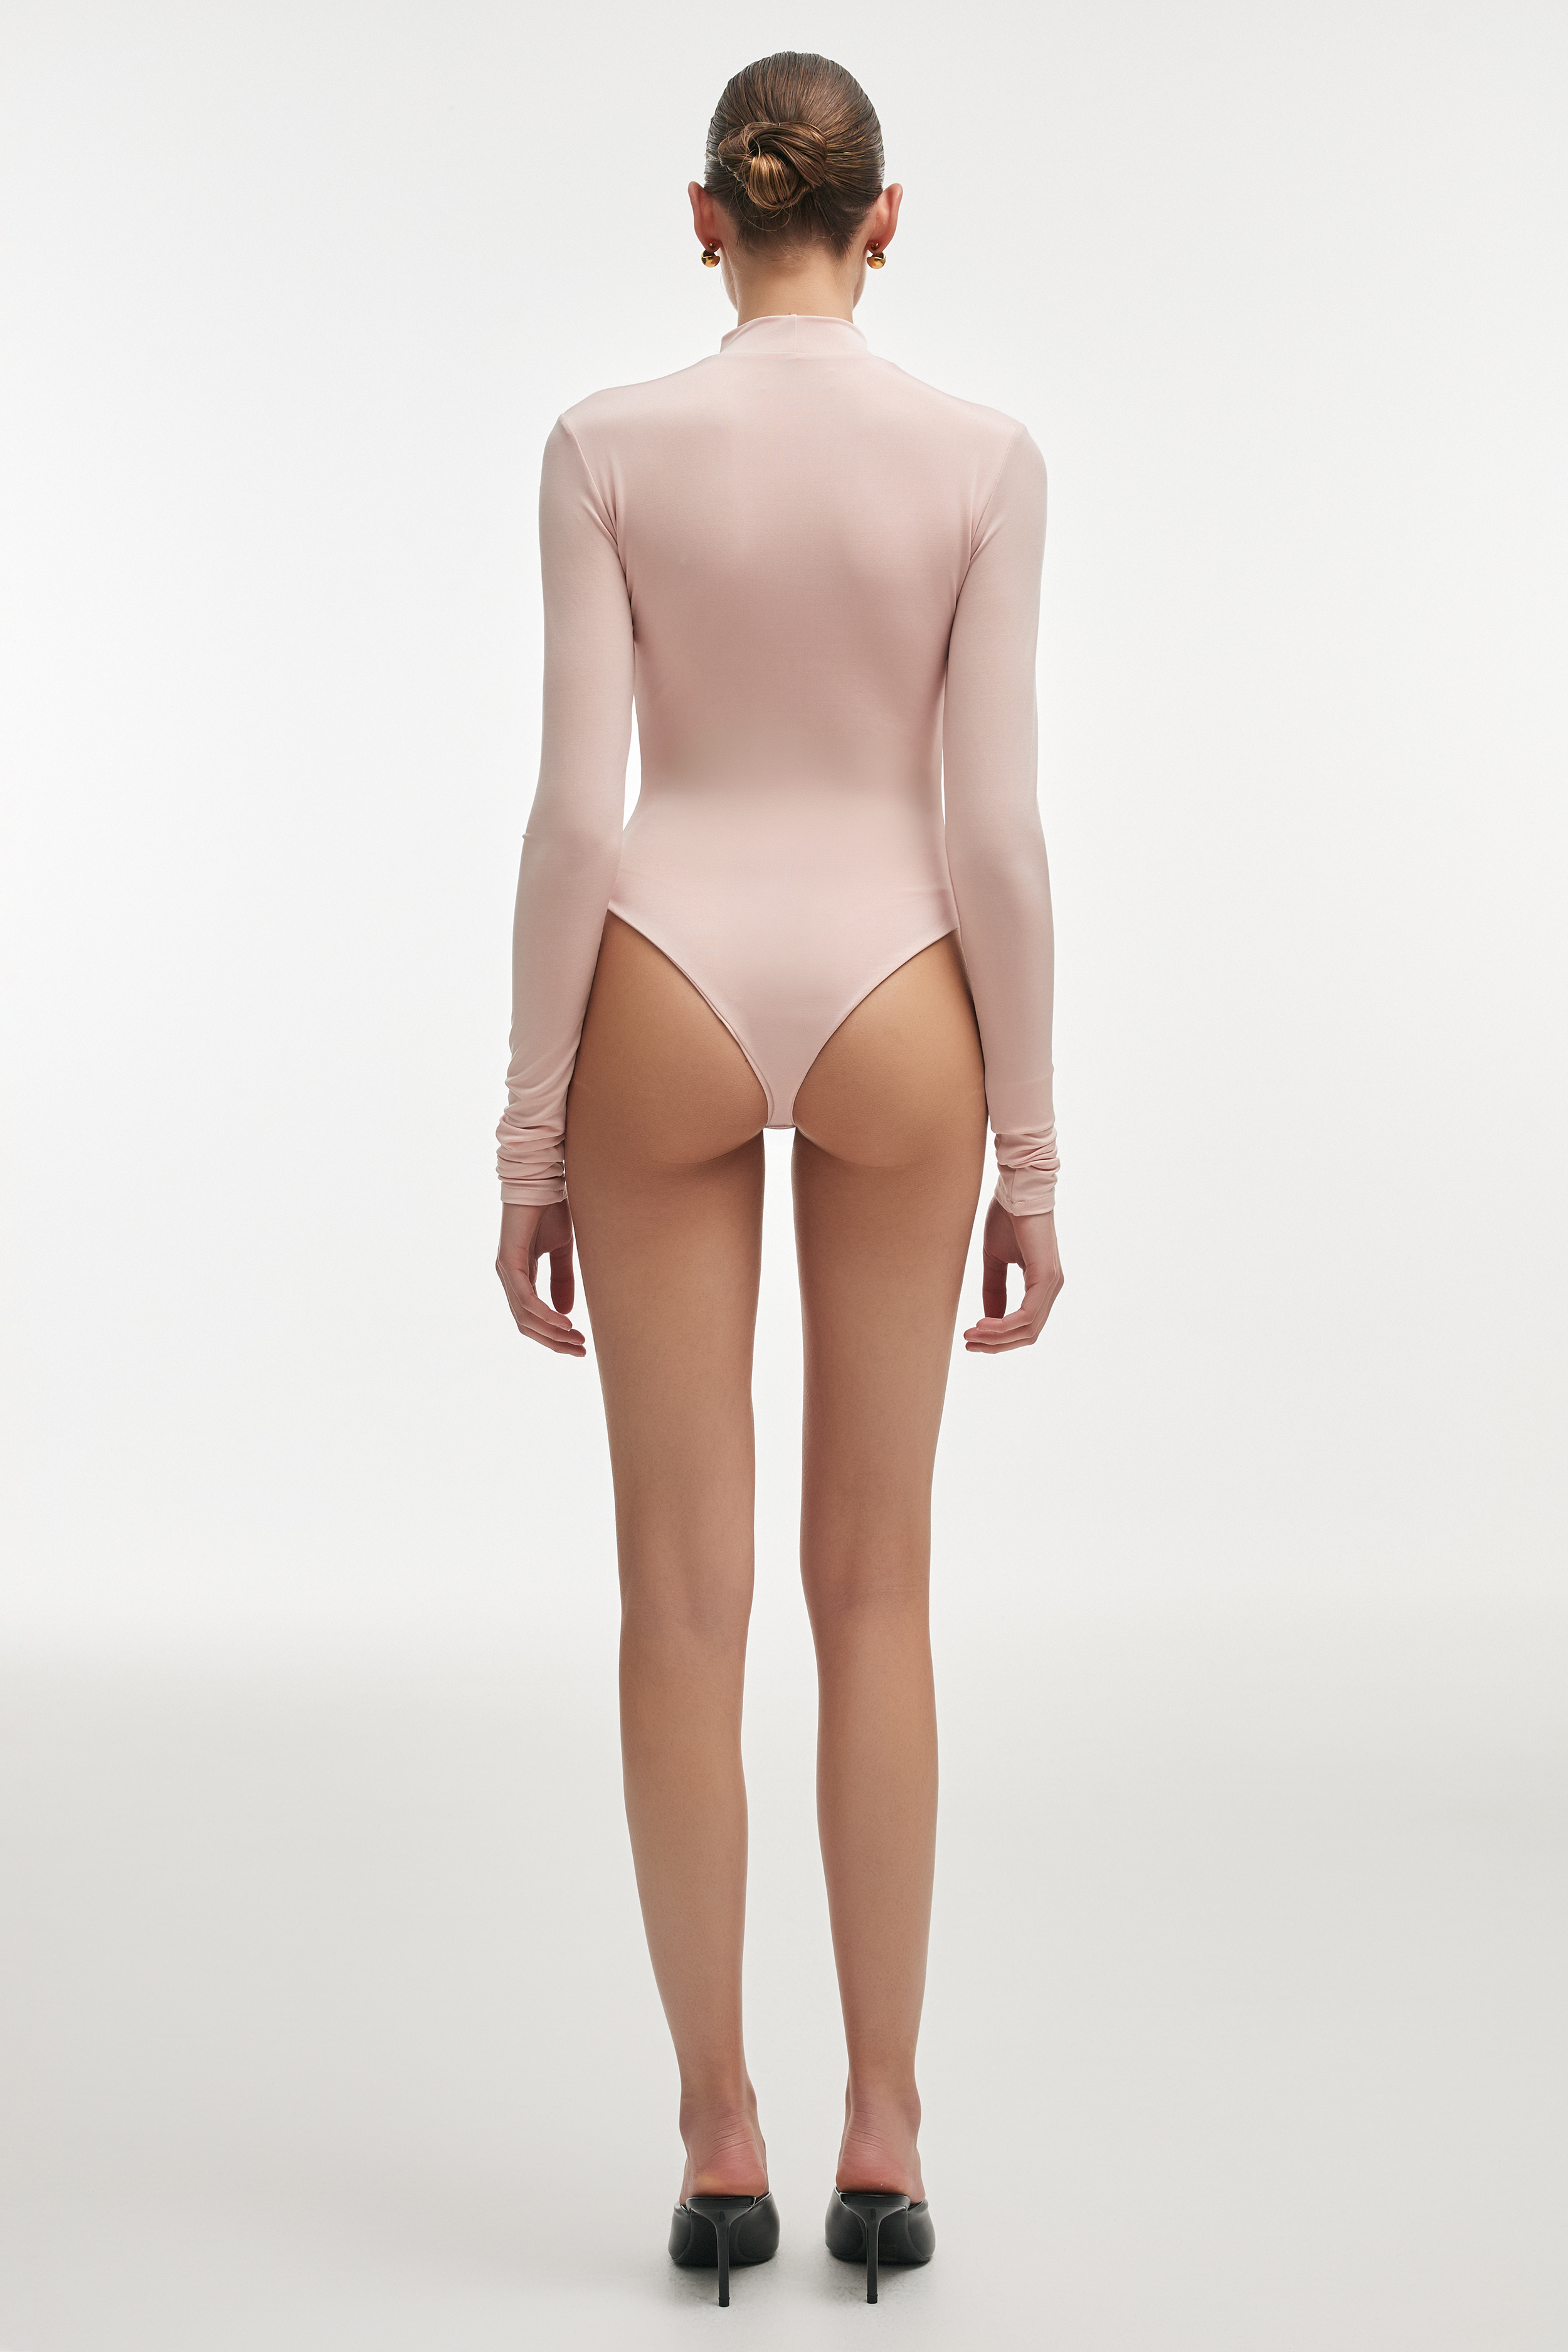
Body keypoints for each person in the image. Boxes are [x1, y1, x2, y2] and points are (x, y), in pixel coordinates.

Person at [494, 50, 1064, 2307]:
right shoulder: (983, 462)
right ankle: (884, 2135)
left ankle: (717, 2138)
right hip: (904, 985)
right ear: (885, 220)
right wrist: (1033, 1151)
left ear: (704, 217)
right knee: (875, 1590)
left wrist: (528, 1127)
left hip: (661, 973)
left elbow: (574, 816)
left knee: (679, 1601)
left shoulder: (603, 448)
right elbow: (997, 833)